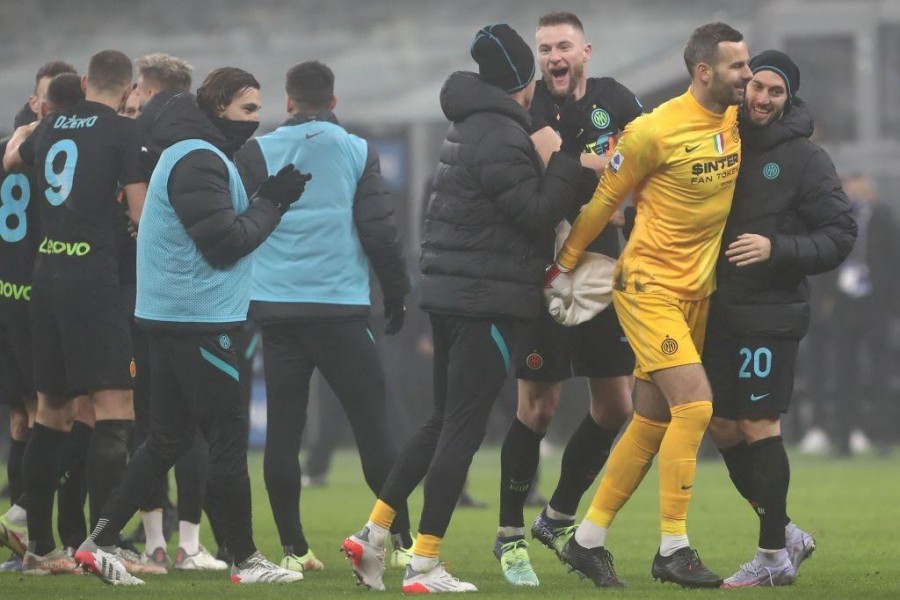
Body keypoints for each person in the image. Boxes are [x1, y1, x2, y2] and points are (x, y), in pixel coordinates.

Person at [342, 23, 585, 593]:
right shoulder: (504, 134)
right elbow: (536, 212)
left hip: (453, 297)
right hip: (487, 302)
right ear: (524, 80)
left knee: (439, 422)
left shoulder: (466, 128)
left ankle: (373, 534)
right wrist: (567, 163)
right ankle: (425, 562)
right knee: (462, 433)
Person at [74, 67, 310, 586]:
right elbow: (225, 243)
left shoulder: (189, 152)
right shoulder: (199, 156)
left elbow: (215, 227)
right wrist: (273, 201)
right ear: (219, 104)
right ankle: (246, 560)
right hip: (198, 319)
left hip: (173, 316)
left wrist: (264, 198)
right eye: (248, 109)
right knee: (226, 438)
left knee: (166, 439)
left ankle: (100, 542)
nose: (256, 119)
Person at [545, 22, 753, 588]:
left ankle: (587, 541)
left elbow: (789, 114)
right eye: (737, 66)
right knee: (697, 408)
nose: (747, 75)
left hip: (697, 292)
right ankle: (673, 548)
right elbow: (602, 203)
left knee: (652, 420)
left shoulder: (737, 118)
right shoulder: (650, 132)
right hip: (647, 288)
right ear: (704, 71)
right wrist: (565, 262)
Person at [234, 60, 413, 574]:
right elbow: (380, 231)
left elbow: (243, 227)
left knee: (284, 434)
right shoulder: (357, 150)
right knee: (374, 428)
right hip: (341, 309)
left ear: (287, 102)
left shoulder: (254, 151)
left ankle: (293, 550)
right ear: (333, 103)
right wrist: (396, 296)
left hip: (277, 312)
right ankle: (400, 538)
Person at [494, 12, 642, 587]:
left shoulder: (616, 97)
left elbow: (644, 162)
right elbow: (561, 164)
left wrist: (614, 174)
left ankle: (555, 519)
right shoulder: (530, 104)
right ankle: (508, 536)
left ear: (586, 50)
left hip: (605, 269)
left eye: (563, 46)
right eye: (544, 48)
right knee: (538, 408)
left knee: (616, 407)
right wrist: (612, 168)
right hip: (546, 271)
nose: (553, 56)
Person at [704, 49, 857, 588]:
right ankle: (786, 531)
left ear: (788, 99)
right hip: (717, 309)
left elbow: (840, 236)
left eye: (775, 92)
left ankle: (771, 557)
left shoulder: (806, 159)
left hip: (771, 313)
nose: (763, 99)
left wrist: (777, 249)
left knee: (758, 424)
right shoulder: (719, 135)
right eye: (757, 87)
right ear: (744, 87)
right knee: (720, 424)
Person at [3, 50, 147, 575]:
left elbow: (12, 161)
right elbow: (141, 215)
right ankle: (102, 547)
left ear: (85, 81)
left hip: (45, 281)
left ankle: (37, 542)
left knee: (52, 412)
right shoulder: (123, 133)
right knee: (116, 412)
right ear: (129, 90)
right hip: (93, 282)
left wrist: (23, 137)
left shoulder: (51, 123)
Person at [122, 52, 226, 573]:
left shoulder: (137, 134)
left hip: (139, 298)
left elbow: (138, 213)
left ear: (143, 86)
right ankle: (190, 543)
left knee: (152, 423)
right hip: (198, 301)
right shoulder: (206, 137)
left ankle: (153, 542)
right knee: (193, 427)